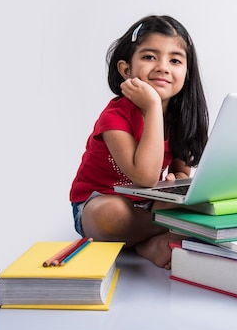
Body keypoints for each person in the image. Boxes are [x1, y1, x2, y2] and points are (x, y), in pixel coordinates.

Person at [69, 15, 209, 269]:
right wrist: (153, 106)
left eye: (175, 60)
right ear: (126, 70)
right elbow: (144, 177)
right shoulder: (115, 117)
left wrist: (176, 179)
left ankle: (145, 242)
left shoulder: (181, 117)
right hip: (99, 202)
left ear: (186, 73)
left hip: (148, 204)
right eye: (149, 57)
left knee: (202, 201)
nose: (163, 67)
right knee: (113, 215)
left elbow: (180, 169)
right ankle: (163, 235)